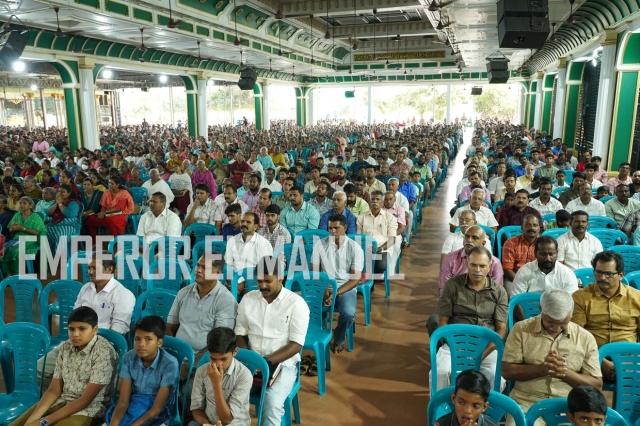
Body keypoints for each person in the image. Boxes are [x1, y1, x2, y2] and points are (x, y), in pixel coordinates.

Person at [501, 290, 602, 426]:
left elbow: (596, 385)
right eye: (551, 322)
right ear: (541, 309)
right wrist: (542, 369)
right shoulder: (521, 330)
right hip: (527, 403)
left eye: (563, 323)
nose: (556, 328)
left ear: (571, 315)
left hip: (569, 408)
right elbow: (507, 371)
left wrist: (564, 372)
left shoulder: (585, 338)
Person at [234, 255, 310, 426]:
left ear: (281, 277)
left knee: (271, 403)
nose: (262, 286)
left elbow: (296, 345)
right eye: (259, 281)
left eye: (268, 281)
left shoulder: (296, 304)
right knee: (230, 395)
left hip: (283, 366)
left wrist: (266, 362)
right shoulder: (248, 299)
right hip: (251, 362)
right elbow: (239, 334)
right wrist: (249, 360)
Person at [8, 307, 117, 426]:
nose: (75, 334)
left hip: (89, 410)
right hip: (61, 401)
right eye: (71, 329)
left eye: (82, 329)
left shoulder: (104, 352)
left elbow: (85, 400)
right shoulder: (66, 347)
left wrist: (43, 422)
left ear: (95, 329)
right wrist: (31, 422)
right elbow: (54, 390)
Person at [432, 246, 508, 392]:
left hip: (487, 347)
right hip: (455, 343)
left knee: (494, 373)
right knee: (440, 372)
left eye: (482, 266)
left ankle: (486, 412)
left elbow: (501, 330)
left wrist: (480, 355)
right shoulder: (452, 285)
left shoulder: (499, 292)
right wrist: (456, 348)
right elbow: (442, 322)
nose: (477, 270)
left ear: (490, 267)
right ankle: (440, 410)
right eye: (473, 265)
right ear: (467, 264)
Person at [572, 250, 640, 382]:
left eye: (608, 274)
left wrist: (629, 362)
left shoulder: (637, 297)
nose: (602, 278)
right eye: (598, 272)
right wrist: (601, 361)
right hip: (591, 355)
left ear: (621, 275)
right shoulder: (580, 297)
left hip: (629, 356)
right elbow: (578, 336)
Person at [105, 316, 179, 426]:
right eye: (137, 339)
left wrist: (134, 425)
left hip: (158, 413)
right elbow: (123, 402)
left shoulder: (170, 364)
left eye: (148, 339)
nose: (141, 344)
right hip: (133, 406)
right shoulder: (128, 358)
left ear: (159, 342)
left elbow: (157, 409)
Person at [167, 254, 237, 359]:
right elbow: (171, 326)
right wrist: (169, 355)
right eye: (198, 265)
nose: (198, 270)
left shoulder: (226, 300)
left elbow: (220, 341)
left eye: (205, 268)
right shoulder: (184, 292)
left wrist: (195, 364)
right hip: (176, 354)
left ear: (217, 273)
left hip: (203, 359)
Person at [312, 214, 364, 353]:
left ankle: (339, 337)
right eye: (330, 228)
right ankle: (313, 337)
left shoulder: (355, 248)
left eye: (337, 228)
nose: (333, 231)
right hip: (323, 287)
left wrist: (336, 292)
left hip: (344, 288)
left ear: (345, 228)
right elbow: (314, 273)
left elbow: (355, 279)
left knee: (348, 313)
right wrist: (323, 290)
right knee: (301, 307)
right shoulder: (320, 244)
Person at [189, 327, 252, 426]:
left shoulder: (244, 375)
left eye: (224, 359)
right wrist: (206, 424)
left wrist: (216, 384)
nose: (218, 364)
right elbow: (196, 408)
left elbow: (226, 420)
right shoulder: (202, 371)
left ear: (235, 351)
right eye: (213, 358)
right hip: (209, 422)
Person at [438, 225, 503, 295]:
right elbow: (443, 287)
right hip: (456, 299)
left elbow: (496, 291)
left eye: (475, 238)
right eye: (467, 236)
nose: (469, 240)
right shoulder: (450, 258)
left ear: (483, 243)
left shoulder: (494, 262)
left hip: (484, 301)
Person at [510, 235, 579, 298]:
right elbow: (516, 300)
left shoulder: (567, 273)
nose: (548, 258)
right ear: (535, 254)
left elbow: (571, 302)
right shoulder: (524, 271)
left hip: (558, 311)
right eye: (543, 254)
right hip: (529, 310)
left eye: (551, 254)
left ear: (557, 253)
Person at [357, 191, 400, 278]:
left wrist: (379, 249)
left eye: (378, 199)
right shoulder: (361, 217)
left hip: (383, 249)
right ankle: (368, 283)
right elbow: (359, 237)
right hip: (365, 249)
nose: (375, 201)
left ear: (382, 202)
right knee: (356, 264)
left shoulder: (390, 218)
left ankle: (369, 282)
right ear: (369, 201)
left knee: (380, 265)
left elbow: (392, 240)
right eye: (373, 199)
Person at [432, 370, 498, 426]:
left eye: (475, 406)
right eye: (461, 402)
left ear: (484, 407)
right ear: (454, 398)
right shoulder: (441, 424)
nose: (467, 411)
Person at [0, 197, 46, 277]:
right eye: (20, 203)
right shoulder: (17, 215)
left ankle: (17, 275)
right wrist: (12, 229)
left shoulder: (35, 217)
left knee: (15, 251)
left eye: (24, 203)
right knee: (3, 249)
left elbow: (37, 233)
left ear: (30, 205)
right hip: (17, 238)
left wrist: (22, 228)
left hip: (31, 239)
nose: (22, 205)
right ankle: (8, 273)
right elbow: (10, 229)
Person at [84, 176, 134, 241]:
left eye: (112, 184)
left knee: (110, 221)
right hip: (106, 213)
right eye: (109, 183)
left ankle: (116, 243)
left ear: (118, 184)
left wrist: (104, 212)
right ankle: (95, 241)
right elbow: (103, 205)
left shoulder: (124, 193)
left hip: (120, 214)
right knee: (90, 220)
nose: (110, 185)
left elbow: (119, 208)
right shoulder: (107, 192)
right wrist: (102, 212)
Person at [225, 212, 273, 278]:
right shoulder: (232, 241)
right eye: (242, 221)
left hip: (253, 282)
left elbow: (265, 270)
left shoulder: (263, 244)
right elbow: (228, 265)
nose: (244, 224)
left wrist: (245, 284)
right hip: (234, 280)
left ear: (255, 227)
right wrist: (231, 281)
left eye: (248, 222)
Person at [46, 184, 82, 253]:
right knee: (45, 231)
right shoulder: (57, 201)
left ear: (69, 193)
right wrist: (56, 204)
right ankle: (50, 255)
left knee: (60, 233)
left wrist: (60, 204)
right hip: (56, 224)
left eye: (63, 192)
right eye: (59, 191)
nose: (60, 193)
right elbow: (48, 213)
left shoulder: (73, 202)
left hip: (70, 225)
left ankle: (59, 256)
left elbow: (69, 214)